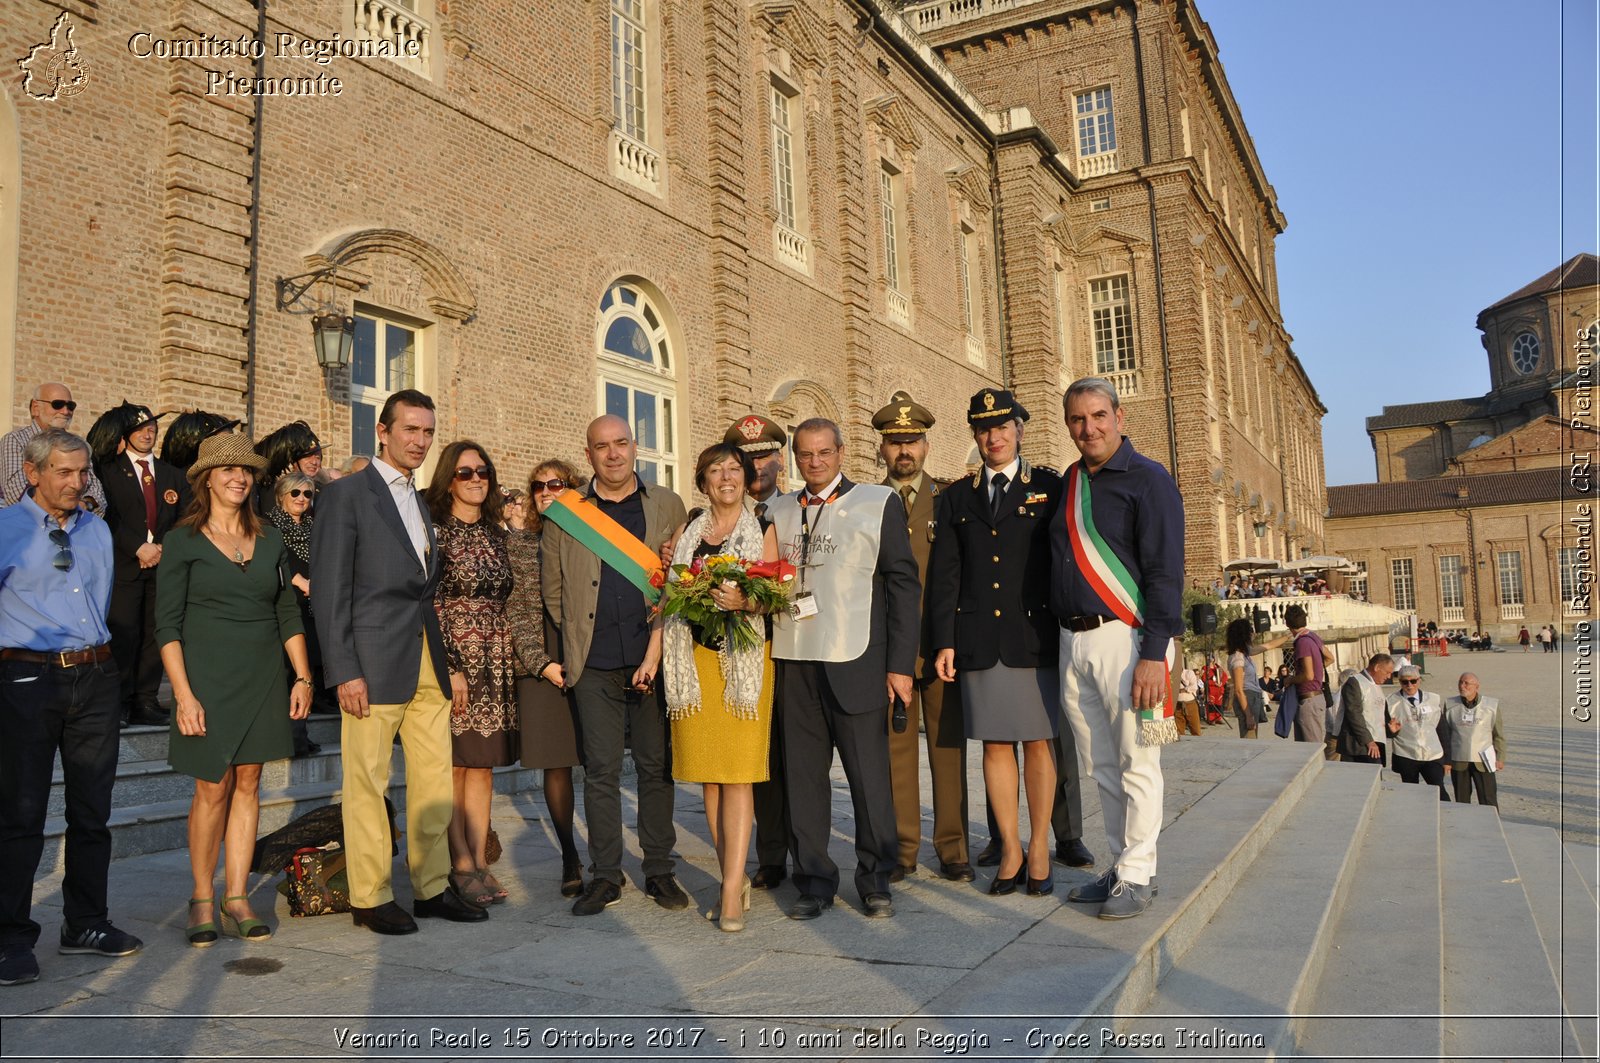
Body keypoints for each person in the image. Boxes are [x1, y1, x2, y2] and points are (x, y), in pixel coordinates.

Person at [311, 389, 488, 934]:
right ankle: (369, 896)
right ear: (382, 432)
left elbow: (422, 594)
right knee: (367, 781)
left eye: (428, 432)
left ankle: (432, 887)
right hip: (369, 662)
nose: (420, 441)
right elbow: (328, 589)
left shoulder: (418, 499)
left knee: (434, 780)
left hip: (426, 662)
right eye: (410, 429)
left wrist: (449, 663)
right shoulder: (347, 495)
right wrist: (342, 669)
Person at [156, 433, 313, 945]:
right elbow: (168, 626)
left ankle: (238, 895)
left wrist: (303, 676)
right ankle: (203, 896)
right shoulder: (181, 541)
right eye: (227, 470)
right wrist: (183, 694)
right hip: (205, 680)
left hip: (264, 674)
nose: (239, 477)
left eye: (246, 470)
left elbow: (287, 610)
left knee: (249, 784)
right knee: (211, 786)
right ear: (206, 479)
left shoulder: (269, 539)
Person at [0, 430, 142, 986]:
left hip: (95, 675)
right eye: (63, 472)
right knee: (20, 813)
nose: (77, 482)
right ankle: (10, 936)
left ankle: (85, 922)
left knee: (92, 812)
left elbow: (102, 599)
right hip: (26, 679)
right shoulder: (5, 528)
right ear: (33, 473)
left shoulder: (97, 530)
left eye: (83, 472)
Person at [768, 417, 919, 920]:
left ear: (841, 451)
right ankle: (812, 879)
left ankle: (876, 879)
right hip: (795, 660)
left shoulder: (878, 503)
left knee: (869, 779)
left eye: (823, 453)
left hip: (856, 656)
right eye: (804, 454)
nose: (814, 462)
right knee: (803, 780)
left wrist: (900, 665)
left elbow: (902, 585)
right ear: (795, 455)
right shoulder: (778, 509)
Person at [541, 415, 688, 917]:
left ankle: (659, 869)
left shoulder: (667, 505)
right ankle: (605, 875)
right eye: (601, 447)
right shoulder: (567, 512)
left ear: (635, 447)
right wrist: (580, 639)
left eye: (621, 443)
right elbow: (553, 589)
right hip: (595, 663)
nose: (613, 454)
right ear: (589, 455)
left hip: (653, 658)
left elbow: (683, 577)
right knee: (601, 771)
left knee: (655, 767)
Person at [1052, 378, 1183, 921]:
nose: (1090, 429)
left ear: (1119, 416)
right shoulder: (1071, 481)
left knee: (1137, 761)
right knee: (1101, 764)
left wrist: (1155, 652)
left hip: (1129, 641)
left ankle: (1138, 873)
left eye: (1099, 416)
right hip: (1074, 641)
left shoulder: (1150, 480)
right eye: (1079, 420)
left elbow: (1164, 572)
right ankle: (1121, 863)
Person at [930, 388, 1066, 897]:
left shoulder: (1048, 487)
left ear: (1020, 430)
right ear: (975, 435)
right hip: (979, 637)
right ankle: (1008, 846)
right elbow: (947, 574)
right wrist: (945, 640)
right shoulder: (956, 497)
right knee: (994, 745)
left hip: (1032, 635)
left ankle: (1038, 848)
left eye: (1003, 426)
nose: (994, 437)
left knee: (1036, 741)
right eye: (985, 429)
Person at [662, 442, 780, 932]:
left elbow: (775, 600)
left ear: (745, 478)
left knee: (737, 774)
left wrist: (742, 602)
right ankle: (732, 871)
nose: (727, 478)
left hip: (742, 667)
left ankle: (731, 886)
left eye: (735, 469)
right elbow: (668, 592)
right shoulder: (687, 532)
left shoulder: (764, 530)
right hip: (694, 662)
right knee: (709, 776)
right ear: (703, 480)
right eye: (716, 470)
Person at [873, 391, 971, 883]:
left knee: (948, 750)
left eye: (911, 440)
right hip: (891, 649)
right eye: (894, 442)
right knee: (896, 754)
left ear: (927, 445)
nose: (903, 450)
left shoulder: (951, 501)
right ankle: (902, 849)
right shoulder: (867, 503)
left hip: (940, 649)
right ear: (882, 449)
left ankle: (953, 848)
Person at [422, 440, 521, 907]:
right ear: (448, 479)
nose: (476, 478)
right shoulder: (434, 532)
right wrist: (451, 668)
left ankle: (480, 859)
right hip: (454, 658)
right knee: (456, 766)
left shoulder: (496, 533)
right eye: (465, 473)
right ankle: (458, 861)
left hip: (495, 659)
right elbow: (431, 603)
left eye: (483, 470)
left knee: (482, 768)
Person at [506, 459, 586, 898]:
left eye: (556, 483)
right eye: (538, 486)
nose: (546, 491)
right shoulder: (519, 544)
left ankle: (614, 854)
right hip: (544, 659)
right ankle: (571, 856)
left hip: (589, 651)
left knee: (600, 759)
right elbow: (516, 613)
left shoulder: (591, 536)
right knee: (557, 764)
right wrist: (542, 663)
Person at [719, 414, 791, 891]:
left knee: (795, 758)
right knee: (755, 757)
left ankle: (804, 849)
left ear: (779, 459)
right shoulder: (719, 517)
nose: (756, 464)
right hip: (747, 652)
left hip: (797, 646)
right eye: (746, 457)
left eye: (764, 454)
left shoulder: (795, 509)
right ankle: (768, 858)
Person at [98, 402, 189, 728]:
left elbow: (185, 517)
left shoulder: (172, 475)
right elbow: (108, 516)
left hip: (163, 565)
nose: (147, 433)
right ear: (126, 433)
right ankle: (119, 701)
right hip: (125, 564)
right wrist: (138, 546)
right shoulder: (108, 471)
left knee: (154, 633)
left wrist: (165, 548)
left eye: (152, 427)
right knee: (123, 633)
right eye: (140, 428)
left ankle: (145, 700)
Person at [264, 472, 324, 757]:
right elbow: (269, 562)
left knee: (305, 672)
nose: (302, 499)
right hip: (283, 607)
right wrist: (297, 580)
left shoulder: (316, 527)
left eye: (308, 494)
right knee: (286, 674)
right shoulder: (269, 525)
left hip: (312, 608)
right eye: (295, 494)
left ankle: (299, 736)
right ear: (281, 496)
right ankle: (286, 739)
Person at [0, 383, 107, 512]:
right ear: (35, 408)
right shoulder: (16, 440)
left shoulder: (79, 445)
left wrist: (85, 504)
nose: (65, 411)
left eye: (70, 406)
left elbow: (98, 494)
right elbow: (16, 493)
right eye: (57, 404)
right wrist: (65, 509)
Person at [1386, 665, 1449, 799]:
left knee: (1438, 789)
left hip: (1432, 754)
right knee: (1411, 793)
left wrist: (1447, 758)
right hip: (1406, 754)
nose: (1409, 685)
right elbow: (1388, 731)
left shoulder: (1432, 699)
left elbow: (1442, 729)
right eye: (1404, 682)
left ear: (1419, 680)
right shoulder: (1391, 702)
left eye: (1413, 681)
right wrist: (1391, 732)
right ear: (1399, 681)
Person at [1442, 672, 1505, 806]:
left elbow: (1498, 734)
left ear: (1477, 686)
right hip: (1459, 759)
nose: (1462, 686)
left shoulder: (1491, 706)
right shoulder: (1450, 704)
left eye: (1466, 683)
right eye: (1460, 682)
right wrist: (1445, 759)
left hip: (1484, 760)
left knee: (1488, 798)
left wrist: (1500, 757)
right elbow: (1445, 734)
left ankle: (1491, 826)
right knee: (1461, 800)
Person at [1334, 653, 1394, 765]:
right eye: (1387, 672)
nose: (1389, 676)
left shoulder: (1376, 686)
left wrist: (1391, 729)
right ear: (1377, 667)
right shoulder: (1355, 682)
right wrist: (1369, 741)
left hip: (1376, 742)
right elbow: (1354, 714)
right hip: (1358, 746)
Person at [1285, 604, 1328, 748]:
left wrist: (1291, 679)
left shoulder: (1302, 642)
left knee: (1311, 749)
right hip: (1315, 697)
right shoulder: (1312, 636)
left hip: (1309, 699)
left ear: (1287, 623)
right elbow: (1330, 658)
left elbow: (1308, 675)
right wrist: (1318, 670)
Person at [1225, 618, 1263, 739]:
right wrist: (1248, 714)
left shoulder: (1245, 654)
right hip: (1247, 699)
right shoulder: (1238, 658)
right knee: (1249, 739)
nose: (1253, 634)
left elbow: (1267, 646)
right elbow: (1238, 690)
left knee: (1253, 738)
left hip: (1252, 697)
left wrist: (1288, 635)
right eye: (1250, 631)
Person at [1175, 664, 1202, 737]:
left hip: (1190, 703)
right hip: (1178, 704)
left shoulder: (1189, 673)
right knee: (1179, 730)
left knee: (1195, 728)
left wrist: (1182, 690)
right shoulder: (1172, 675)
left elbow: (1194, 687)